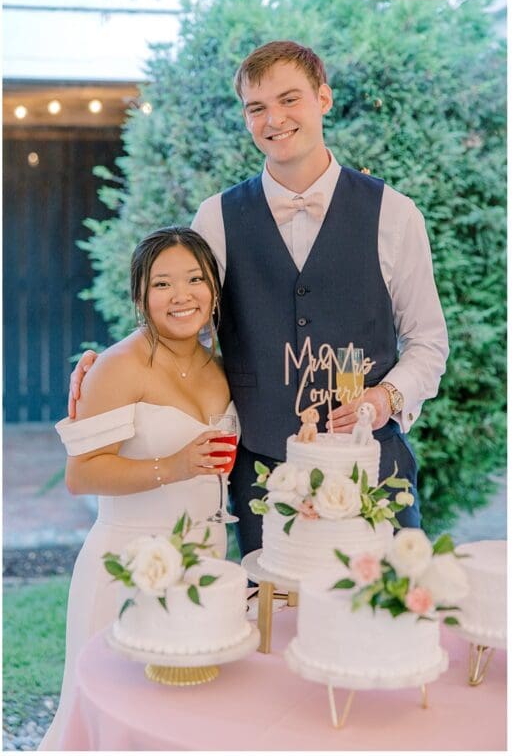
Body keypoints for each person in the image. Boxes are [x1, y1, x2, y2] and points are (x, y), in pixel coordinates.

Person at [70, 41, 448, 557]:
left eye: (290, 99)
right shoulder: (217, 218)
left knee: (383, 618)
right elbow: (183, 322)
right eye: (257, 108)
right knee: (267, 627)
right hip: (260, 473)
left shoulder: (394, 214)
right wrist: (108, 365)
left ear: (323, 98)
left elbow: (428, 341)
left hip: (371, 464)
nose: (275, 119)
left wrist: (386, 398)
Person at [41, 227, 236, 749]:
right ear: (140, 295)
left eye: (196, 280)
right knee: (121, 726)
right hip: (126, 567)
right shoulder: (116, 366)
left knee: (185, 724)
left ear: (214, 290)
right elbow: (81, 474)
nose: (182, 296)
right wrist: (171, 466)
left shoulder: (222, 367)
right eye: (163, 284)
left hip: (205, 563)